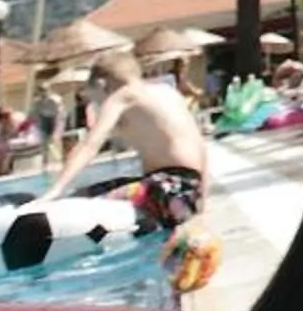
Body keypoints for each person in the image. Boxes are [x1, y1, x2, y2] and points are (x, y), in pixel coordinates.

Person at [42, 50, 211, 230]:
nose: (96, 105)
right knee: (84, 193)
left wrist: (55, 189)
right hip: (188, 189)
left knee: (81, 203)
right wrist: (203, 203)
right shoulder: (167, 91)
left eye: (94, 98)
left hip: (166, 189)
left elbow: (89, 146)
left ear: (102, 85)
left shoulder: (122, 96)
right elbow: (201, 147)